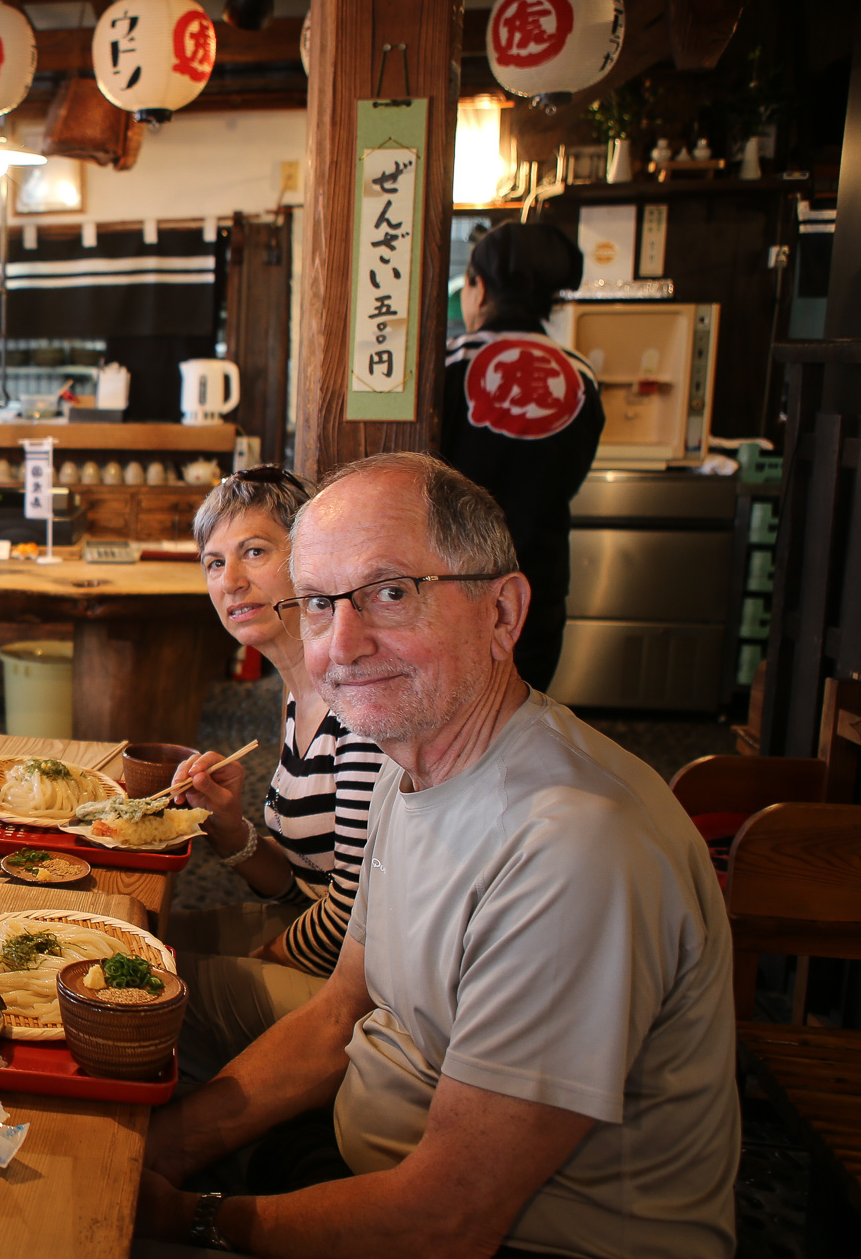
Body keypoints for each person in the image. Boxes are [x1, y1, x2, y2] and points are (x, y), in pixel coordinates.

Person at [140, 452, 736, 1258]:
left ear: (503, 612)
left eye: (391, 593)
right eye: (318, 604)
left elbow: (447, 1219)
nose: (343, 645)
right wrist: (161, 1154)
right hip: (374, 1162)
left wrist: (196, 1220)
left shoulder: (572, 846)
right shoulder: (408, 757)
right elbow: (337, 1016)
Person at [165, 467, 386, 1086]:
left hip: (365, 990)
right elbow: (297, 887)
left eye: (254, 552)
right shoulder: (296, 694)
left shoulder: (357, 706)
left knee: (143, 991)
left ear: (311, 557)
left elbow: (352, 914)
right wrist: (229, 829)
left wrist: (264, 956)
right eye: (213, 563)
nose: (230, 582)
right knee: (137, 936)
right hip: (310, 936)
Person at [442, 221, 602, 690]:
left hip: (453, 583)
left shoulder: (450, 364)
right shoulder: (580, 375)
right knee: (523, 716)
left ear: (479, 287)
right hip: (539, 583)